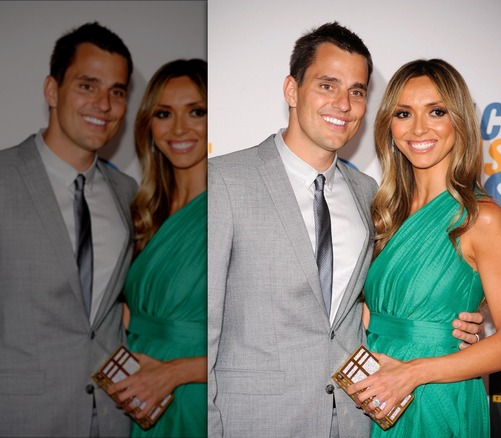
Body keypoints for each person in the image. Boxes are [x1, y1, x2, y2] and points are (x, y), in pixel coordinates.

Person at [207, 22, 484, 437]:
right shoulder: (224, 181)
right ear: (291, 90)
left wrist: (463, 320)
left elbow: (378, 303)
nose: (344, 104)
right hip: (255, 421)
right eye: (327, 85)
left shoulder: (369, 194)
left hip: (359, 418)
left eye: (357, 91)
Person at [0, 22, 135, 437]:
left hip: (110, 420)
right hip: (13, 422)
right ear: (51, 90)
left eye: (117, 91)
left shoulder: (127, 192)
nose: (104, 104)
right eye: (87, 85)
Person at [345, 59, 501, 437]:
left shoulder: (482, 218)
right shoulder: (384, 212)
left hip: (436, 397)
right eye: (404, 113)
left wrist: (412, 374)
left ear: (460, 121)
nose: (419, 128)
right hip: (375, 395)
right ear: (389, 124)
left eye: (436, 111)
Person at [105, 59, 207, 437]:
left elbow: (256, 336)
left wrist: (172, 373)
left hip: (194, 392)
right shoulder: (142, 209)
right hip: (137, 393)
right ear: (149, 124)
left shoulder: (231, 207)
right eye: (164, 113)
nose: (179, 128)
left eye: (197, 111)